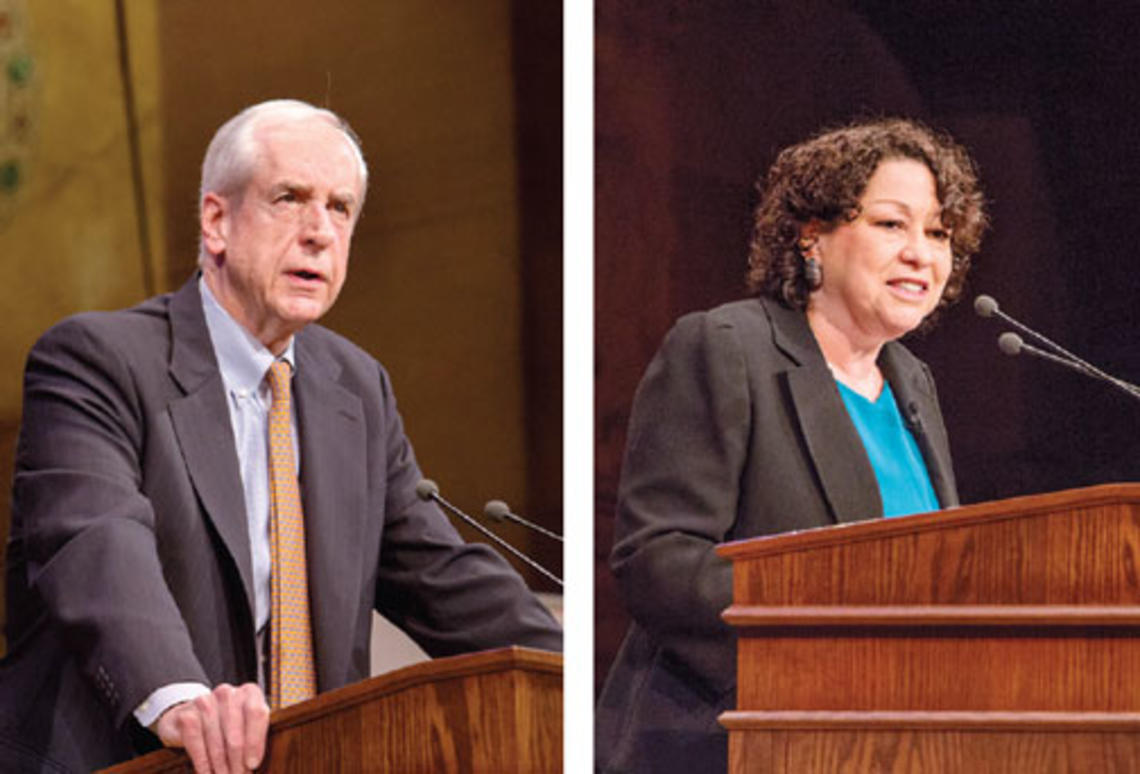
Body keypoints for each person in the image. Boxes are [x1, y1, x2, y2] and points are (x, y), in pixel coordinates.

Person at [0, 99, 562, 773]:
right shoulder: (98, 362)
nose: (319, 232)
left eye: (341, 208)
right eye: (290, 198)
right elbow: (98, 543)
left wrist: (574, 668)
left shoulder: (355, 388)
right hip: (122, 759)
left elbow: (438, 574)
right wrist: (179, 695)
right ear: (217, 222)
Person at [595, 118, 988, 772]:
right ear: (814, 234)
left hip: (901, 739)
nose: (922, 252)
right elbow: (658, 562)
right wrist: (834, 621)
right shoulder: (728, 348)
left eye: (940, 232)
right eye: (892, 224)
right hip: (737, 738)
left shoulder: (913, 385)